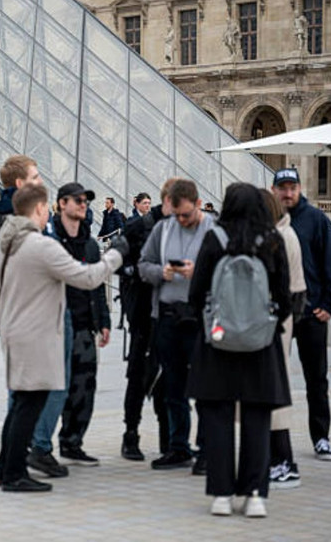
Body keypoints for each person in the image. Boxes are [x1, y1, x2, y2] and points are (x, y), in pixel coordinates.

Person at [0, 183, 127, 492]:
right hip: (38, 336)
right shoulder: (41, 245)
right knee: (30, 405)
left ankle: (4, 469)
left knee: (20, 404)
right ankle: (13, 475)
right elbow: (87, 277)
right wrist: (116, 255)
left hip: (13, 333)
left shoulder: (3, 245)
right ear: (40, 209)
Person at [188, 183, 292, 518]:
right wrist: (264, 326)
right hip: (261, 345)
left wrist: (213, 324)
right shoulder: (272, 241)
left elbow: (196, 293)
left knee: (217, 418)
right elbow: (286, 300)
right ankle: (254, 495)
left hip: (218, 342)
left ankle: (221, 494)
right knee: (257, 419)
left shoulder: (214, 240)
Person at [138, 179, 214, 470]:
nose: (181, 220)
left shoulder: (213, 231)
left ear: (197, 204)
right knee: (173, 386)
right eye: (177, 215)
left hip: (199, 318)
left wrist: (200, 272)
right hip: (168, 316)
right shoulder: (163, 228)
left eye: (186, 215)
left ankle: (207, 448)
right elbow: (143, 264)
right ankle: (178, 446)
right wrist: (162, 272)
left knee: (205, 387)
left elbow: (227, 271)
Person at [272, 168, 331, 460]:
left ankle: (321, 436)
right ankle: (277, 439)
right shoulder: (268, 220)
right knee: (276, 378)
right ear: (274, 189)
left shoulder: (316, 220)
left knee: (317, 378)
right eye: (283, 187)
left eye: (292, 187)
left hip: (312, 312)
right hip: (279, 314)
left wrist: (328, 305)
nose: (288, 193)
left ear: (299, 188)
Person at [44, 183, 112, 468]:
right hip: (55, 326)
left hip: (85, 326)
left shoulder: (90, 243)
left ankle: (72, 443)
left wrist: (105, 321)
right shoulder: (50, 239)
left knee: (83, 389)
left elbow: (97, 284)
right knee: (53, 389)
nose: (83, 204)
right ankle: (41, 445)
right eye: (77, 200)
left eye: (86, 201)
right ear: (61, 204)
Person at [119, 179, 178, 463]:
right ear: (167, 200)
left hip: (169, 313)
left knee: (168, 377)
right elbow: (122, 268)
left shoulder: (179, 226)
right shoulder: (138, 227)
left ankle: (169, 439)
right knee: (138, 377)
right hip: (143, 315)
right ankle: (131, 435)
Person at [261, 189, 307, 489]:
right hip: (277, 322)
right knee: (270, 391)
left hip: (274, 324)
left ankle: (283, 461)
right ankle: (276, 459)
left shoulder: (281, 238)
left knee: (273, 391)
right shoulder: (280, 234)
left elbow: (292, 290)